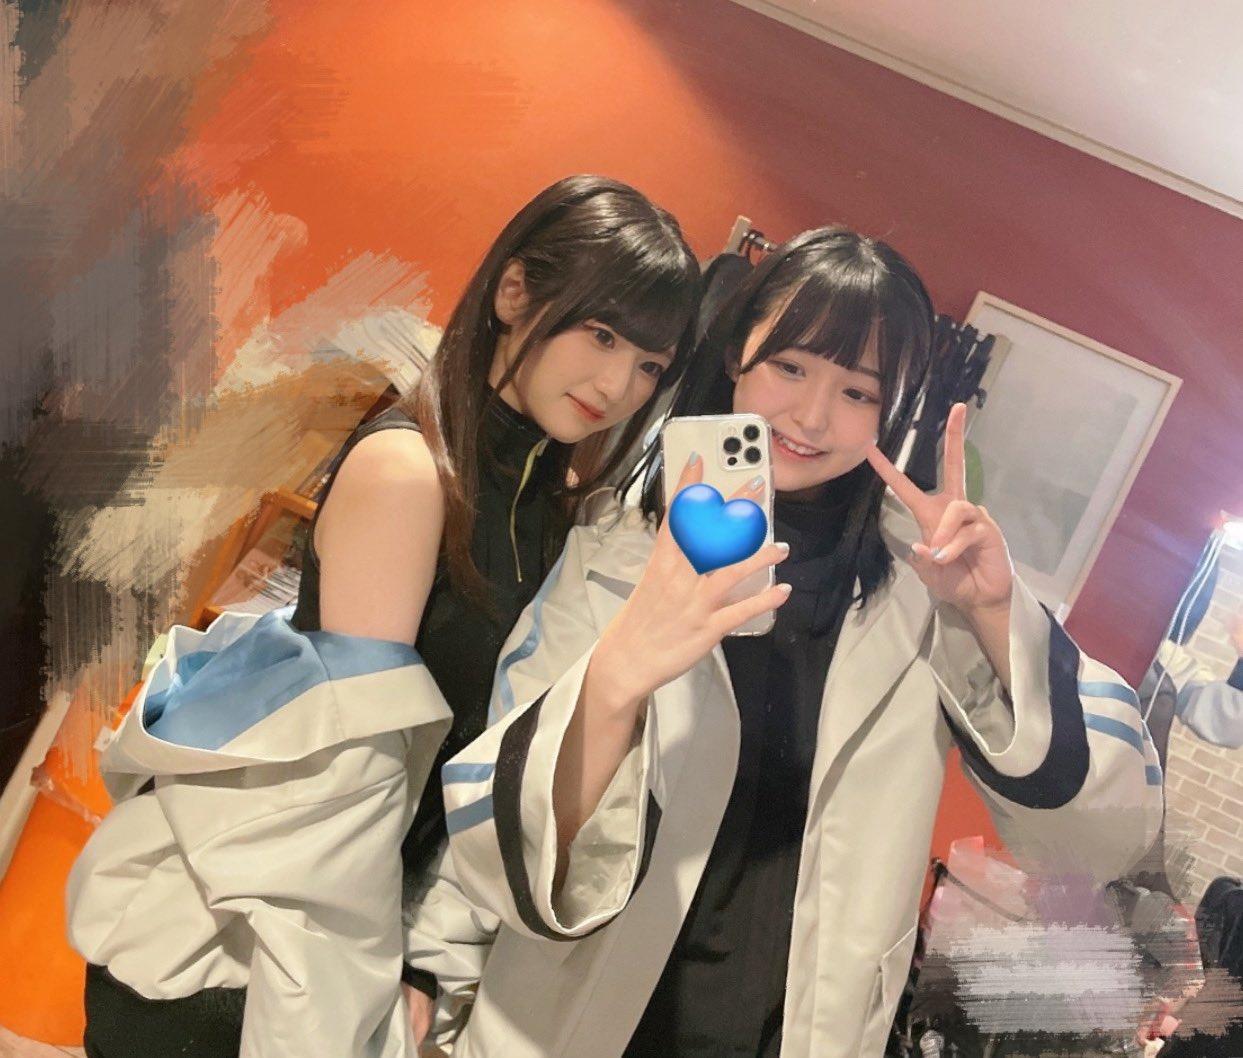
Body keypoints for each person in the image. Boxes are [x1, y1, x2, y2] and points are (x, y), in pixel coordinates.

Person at [407, 227, 1166, 1058]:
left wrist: (993, 612)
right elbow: (503, 789)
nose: (811, 416)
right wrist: (432, 969)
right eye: (791, 367)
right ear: (736, 354)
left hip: (794, 1029)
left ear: (891, 412)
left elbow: (1098, 842)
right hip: (568, 1015)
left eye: (857, 392)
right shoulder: (615, 546)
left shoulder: (922, 586)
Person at [65, 174, 702, 1058]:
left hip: (353, 929)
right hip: (244, 944)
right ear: (514, 292)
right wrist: (364, 993)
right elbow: (347, 781)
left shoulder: (549, 508)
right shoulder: (410, 472)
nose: (617, 382)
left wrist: (420, 964)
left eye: (649, 365)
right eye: (601, 333)